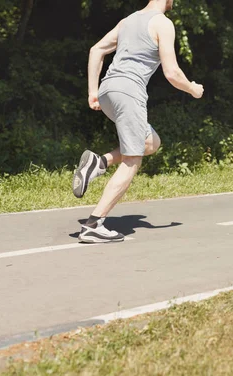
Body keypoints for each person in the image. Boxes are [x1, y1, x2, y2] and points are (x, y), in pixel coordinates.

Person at [72, 0, 204, 243]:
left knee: (150, 142)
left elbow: (96, 50)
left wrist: (93, 90)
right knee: (133, 161)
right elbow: (172, 73)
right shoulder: (163, 24)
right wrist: (193, 89)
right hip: (129, 92)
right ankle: (93, 224)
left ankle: (99, 162)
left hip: (108, 90)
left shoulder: (128, 21)